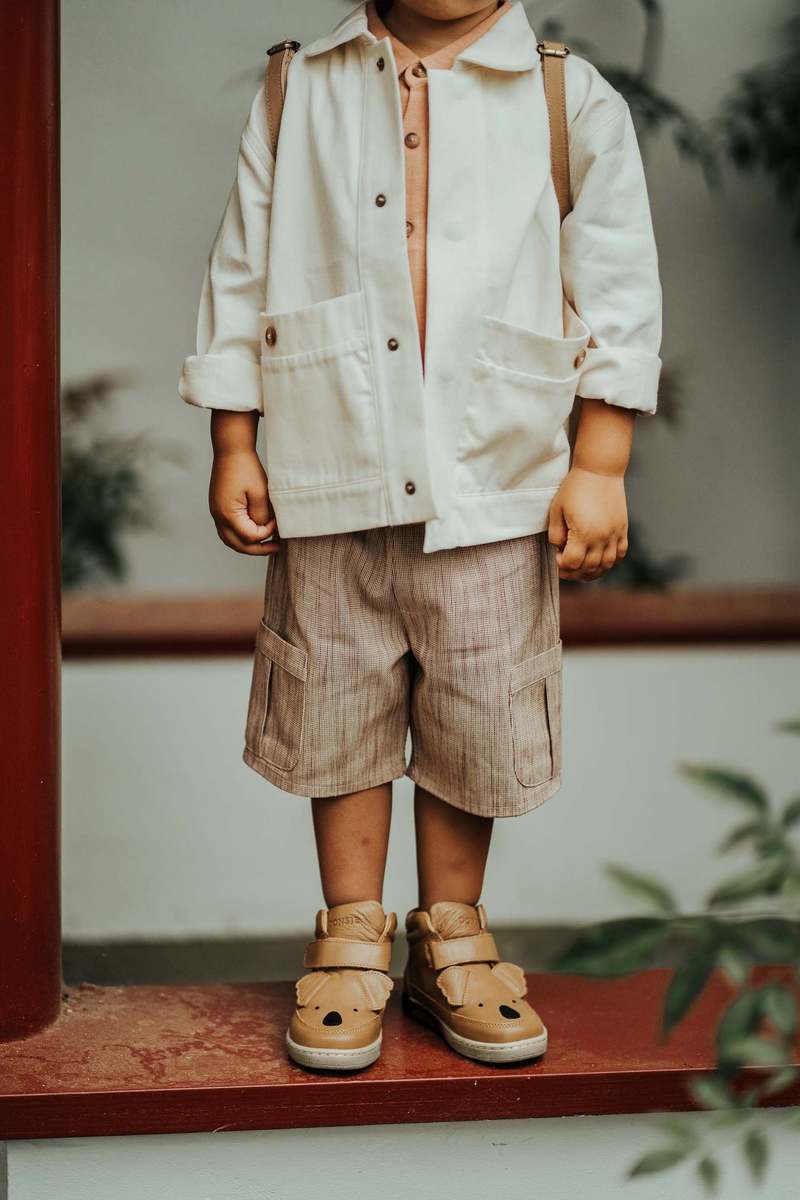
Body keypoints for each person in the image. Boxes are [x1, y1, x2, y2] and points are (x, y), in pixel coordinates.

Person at [179, 0, 661, 1071]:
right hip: (329, 467)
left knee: (473, 714)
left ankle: (452, 933)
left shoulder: (564, 95)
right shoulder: (297, 87)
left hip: (491, 480)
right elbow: (240, 270)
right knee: (337, 701)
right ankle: (352, 932)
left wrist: (598, 462)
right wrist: (233, 439)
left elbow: (617, 284)